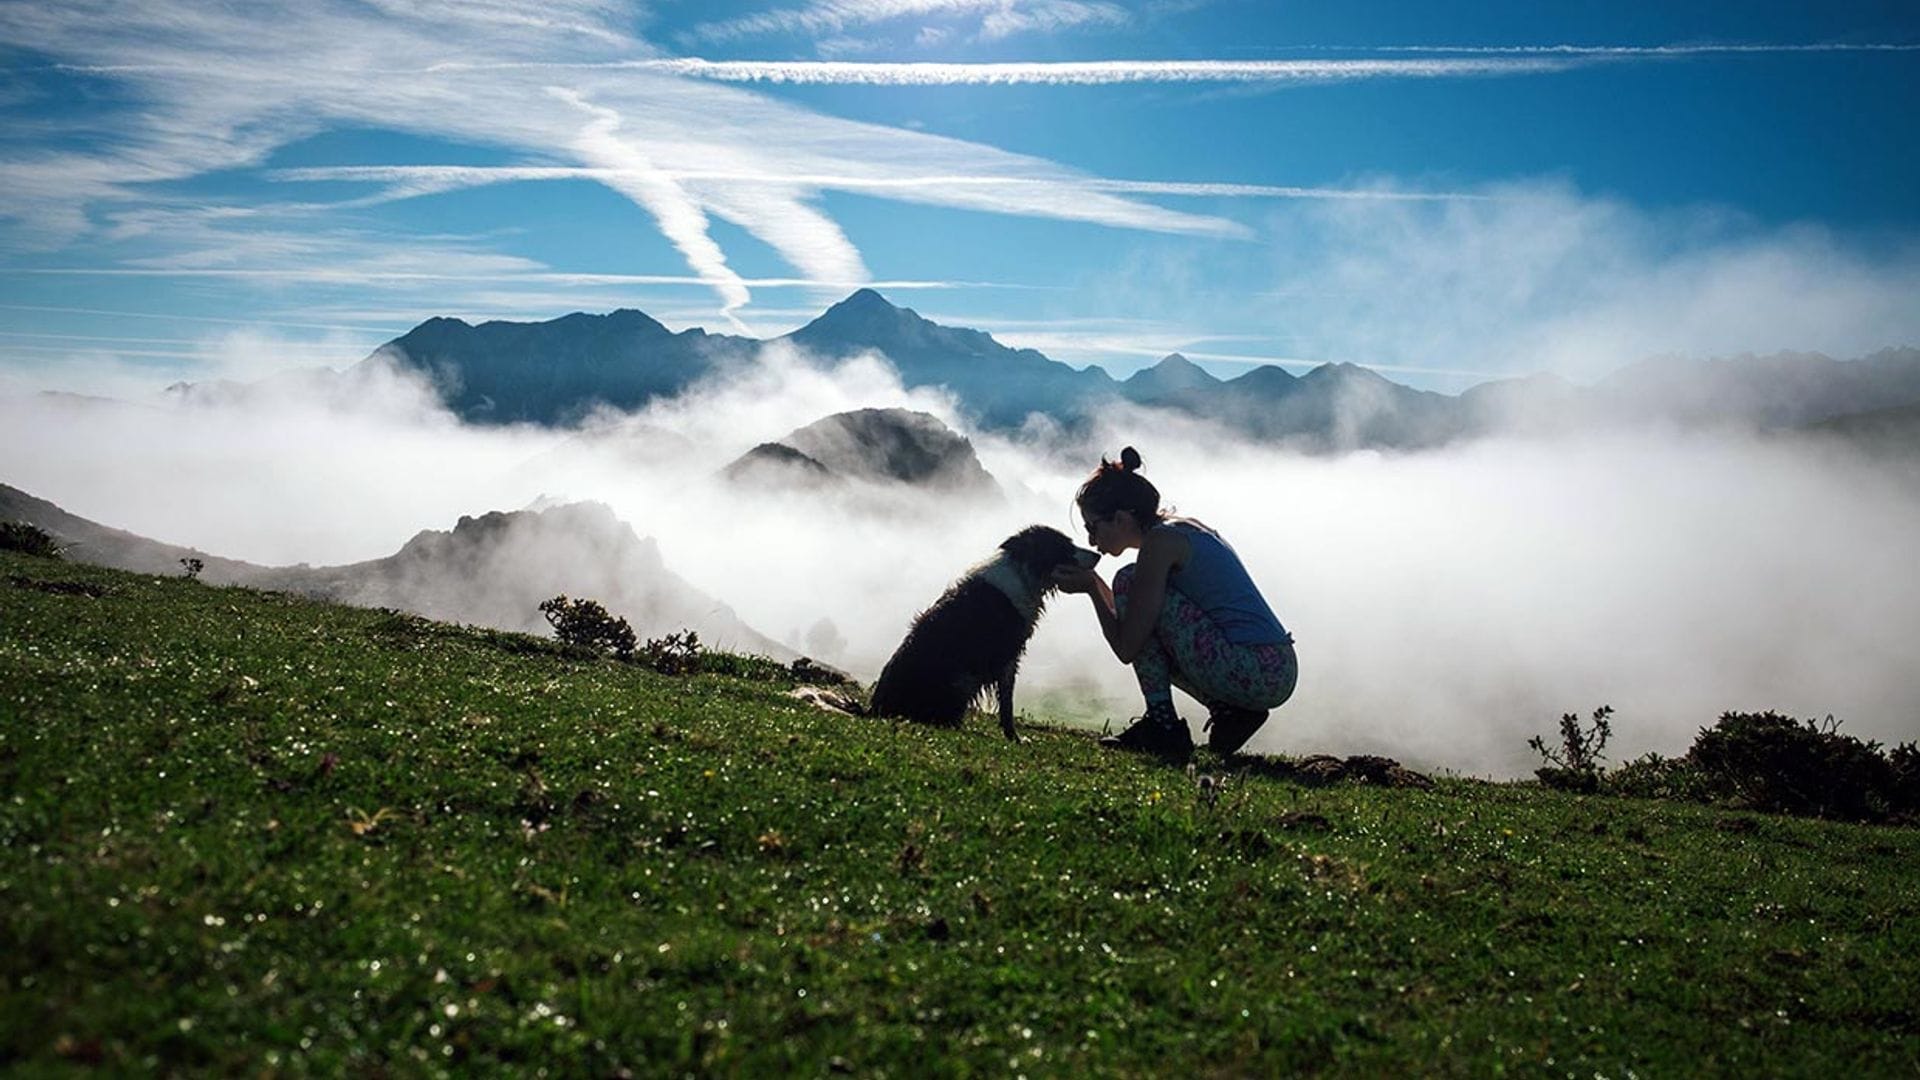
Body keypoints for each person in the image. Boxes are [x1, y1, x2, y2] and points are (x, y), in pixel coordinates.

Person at [1051, 446, 1297, 762]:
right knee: (1137, 595)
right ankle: (1228, 712)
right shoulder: (1181, 529)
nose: (1091, 541)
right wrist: (1095, 585)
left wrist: (1092, 589)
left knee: (1127, 580)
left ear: (1122, 518)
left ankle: (1162, 726)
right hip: (1273, 664)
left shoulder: (1160, 544)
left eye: (1092, 527)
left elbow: (1128, 646)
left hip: (1258, 668)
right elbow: (1141, 624)